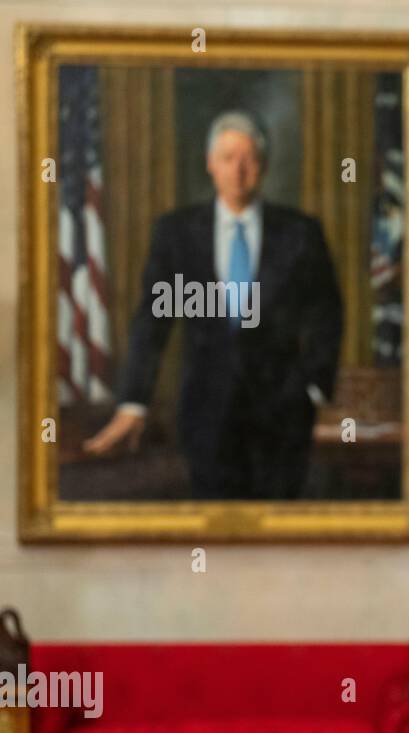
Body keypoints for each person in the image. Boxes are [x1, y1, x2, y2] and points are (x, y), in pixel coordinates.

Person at [83, 110, 343, 499]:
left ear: (264, 166)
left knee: (279, 536)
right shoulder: (177, 233)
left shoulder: (300, 233)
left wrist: (314, 389)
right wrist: (134, 402)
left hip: (283, 417)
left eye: (248, 159)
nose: (238, 170)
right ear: (210, 163)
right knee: (214, 528)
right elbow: (153, 324)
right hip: (204, 415)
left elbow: (328, 314)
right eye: (227, 158)